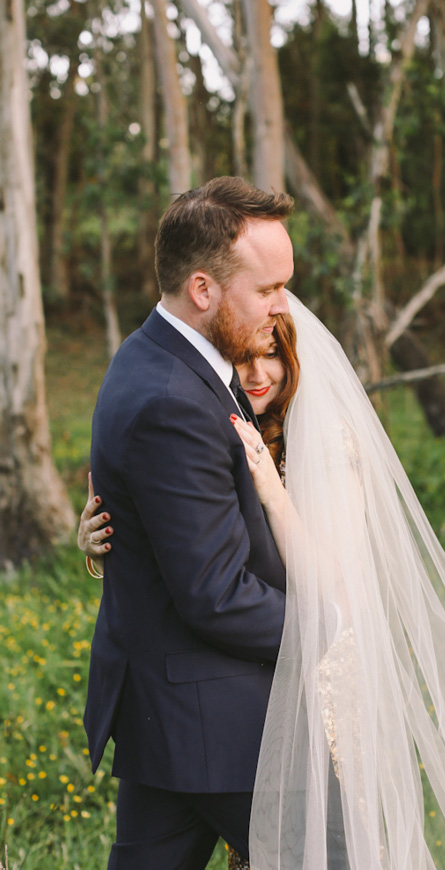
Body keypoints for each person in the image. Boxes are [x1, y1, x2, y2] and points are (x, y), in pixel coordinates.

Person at [81, 291, 445, 869]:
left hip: (316, 680)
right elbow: (188, 548)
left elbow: (332, 589)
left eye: (271, 358)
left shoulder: (325, 445)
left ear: (294, 357)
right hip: (225, 688)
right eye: (246, 359)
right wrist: (100, 547)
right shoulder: (211, 418)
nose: (257, 375)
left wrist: (274, 494)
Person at [82, 176, 298, 870]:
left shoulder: (169, 358)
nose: (281, 305)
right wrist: (325, 626)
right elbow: (214, 592)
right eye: (266, 288)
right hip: (213, 719)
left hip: (170, 706)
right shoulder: (172, 398)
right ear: (203, 290)